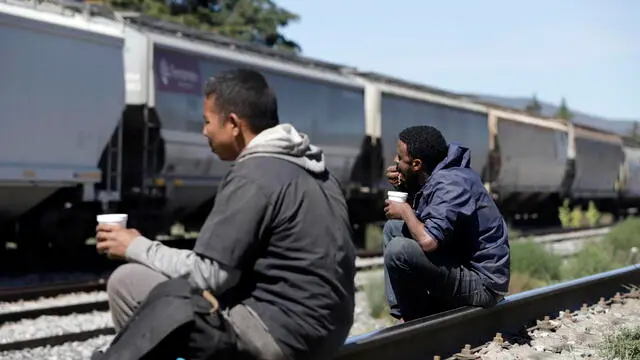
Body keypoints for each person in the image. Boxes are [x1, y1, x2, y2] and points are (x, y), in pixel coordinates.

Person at [93, 69, 356, 360]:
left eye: (207, 121)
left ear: (233, 123)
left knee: (127, 281)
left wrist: (134, 246)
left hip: (276, 337)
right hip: (328, 333)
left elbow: (208, 275)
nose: (204, 131)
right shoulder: (318, 172)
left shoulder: (253, 174)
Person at [382, 125, 510, 322]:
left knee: (398, 249)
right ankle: (404, 312)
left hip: (484, 285)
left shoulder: (451, 184)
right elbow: (432, 214)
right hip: (461, 262)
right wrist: (405, 184)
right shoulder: (440, 175)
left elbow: (429, 241)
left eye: (400, 158)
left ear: (417, 164)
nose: (395, 162)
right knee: (392, 229)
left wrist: (405, 210)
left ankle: (413, 320)